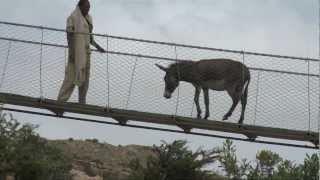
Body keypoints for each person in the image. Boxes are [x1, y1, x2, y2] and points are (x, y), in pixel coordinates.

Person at [53, 0, 105, 116]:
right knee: (70, 78)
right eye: (86, 7)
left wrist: (98, 47)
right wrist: (72, 52)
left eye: (89, 7)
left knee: (85, 79)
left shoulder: (88, 18)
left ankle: (82, 103)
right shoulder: (72, 17)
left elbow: (90, 37)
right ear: (80, 6)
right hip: (76, 53)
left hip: (86, 53)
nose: (88, 9)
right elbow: (69, 34)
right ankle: (60, 102)